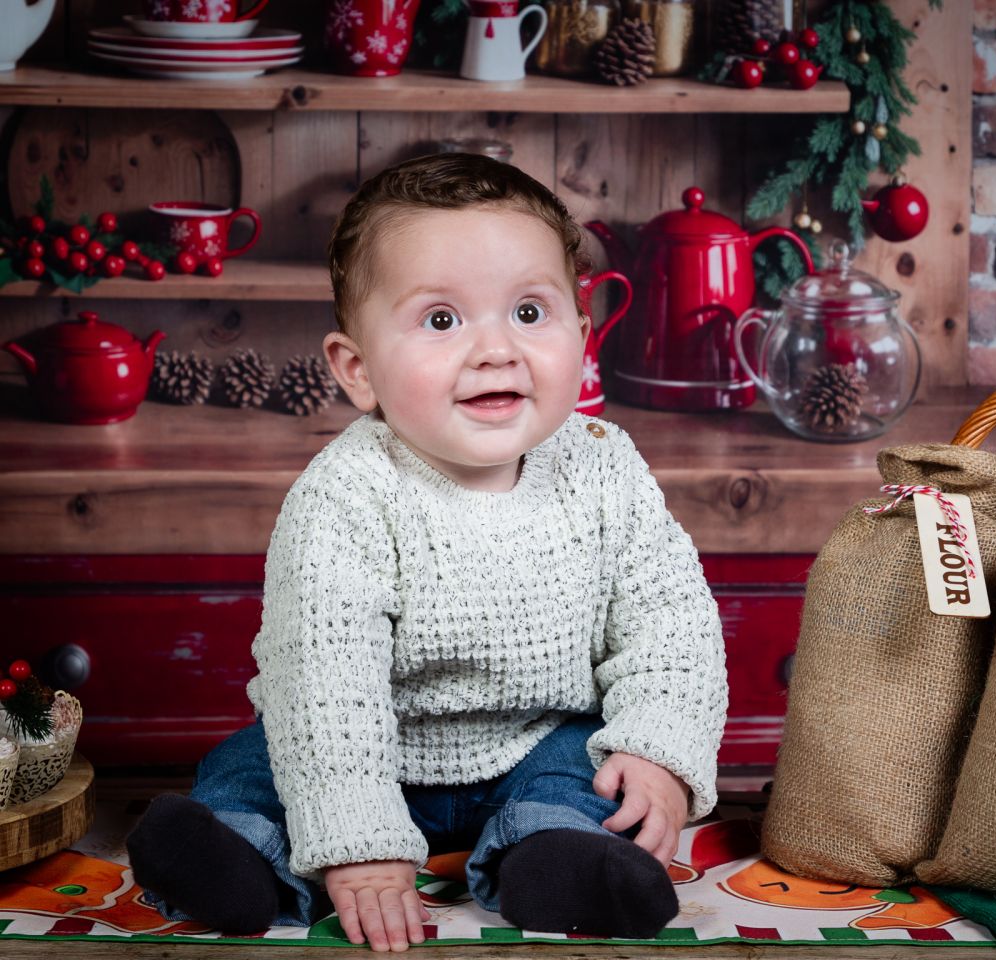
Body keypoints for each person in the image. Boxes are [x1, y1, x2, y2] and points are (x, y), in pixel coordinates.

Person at [127, 152, 728, 953]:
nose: (495, 350)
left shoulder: (603, 463)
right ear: (357, 370)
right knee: (267, 762)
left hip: (536, 735)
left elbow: (673, 622)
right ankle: (232, 857)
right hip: (367, 739)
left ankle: (553, 857)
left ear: (583, 339)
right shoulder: (347, 495)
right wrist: (361, 843)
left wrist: (658, 750)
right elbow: (325, 685)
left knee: (593, 771)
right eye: (442, 321)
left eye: (528, 313)